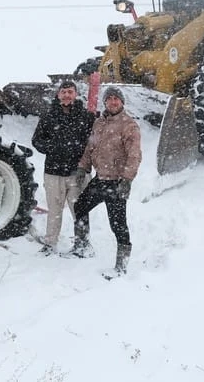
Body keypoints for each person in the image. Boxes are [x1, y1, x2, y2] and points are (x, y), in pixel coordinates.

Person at [68, 86, 142, 279]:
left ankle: (121, 267)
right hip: (99, 180)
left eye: (116, 99)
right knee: (80, 207)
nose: (113, 102)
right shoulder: (99, 123)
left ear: (122, 102)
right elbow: (90, 147)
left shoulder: (129, 125)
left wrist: (127, 179)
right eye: (109, 99)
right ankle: (82, 246)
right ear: (105, 102)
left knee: (118, 225)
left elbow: (134, 155)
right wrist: (83, 168)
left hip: (116, 182)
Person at [30, 80, 96, 255]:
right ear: (58, 94)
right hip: (53, 172)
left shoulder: (85, 116)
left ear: (75, 94)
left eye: (70, 92)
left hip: (77, 172)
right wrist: (52, 147)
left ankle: (82, 244)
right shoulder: (49, 115)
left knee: (80, 210)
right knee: (54, 209)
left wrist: (84, 160)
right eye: (64, 92)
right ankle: (50, 243)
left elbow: (94, 142)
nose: (67, 95)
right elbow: (36, 140)